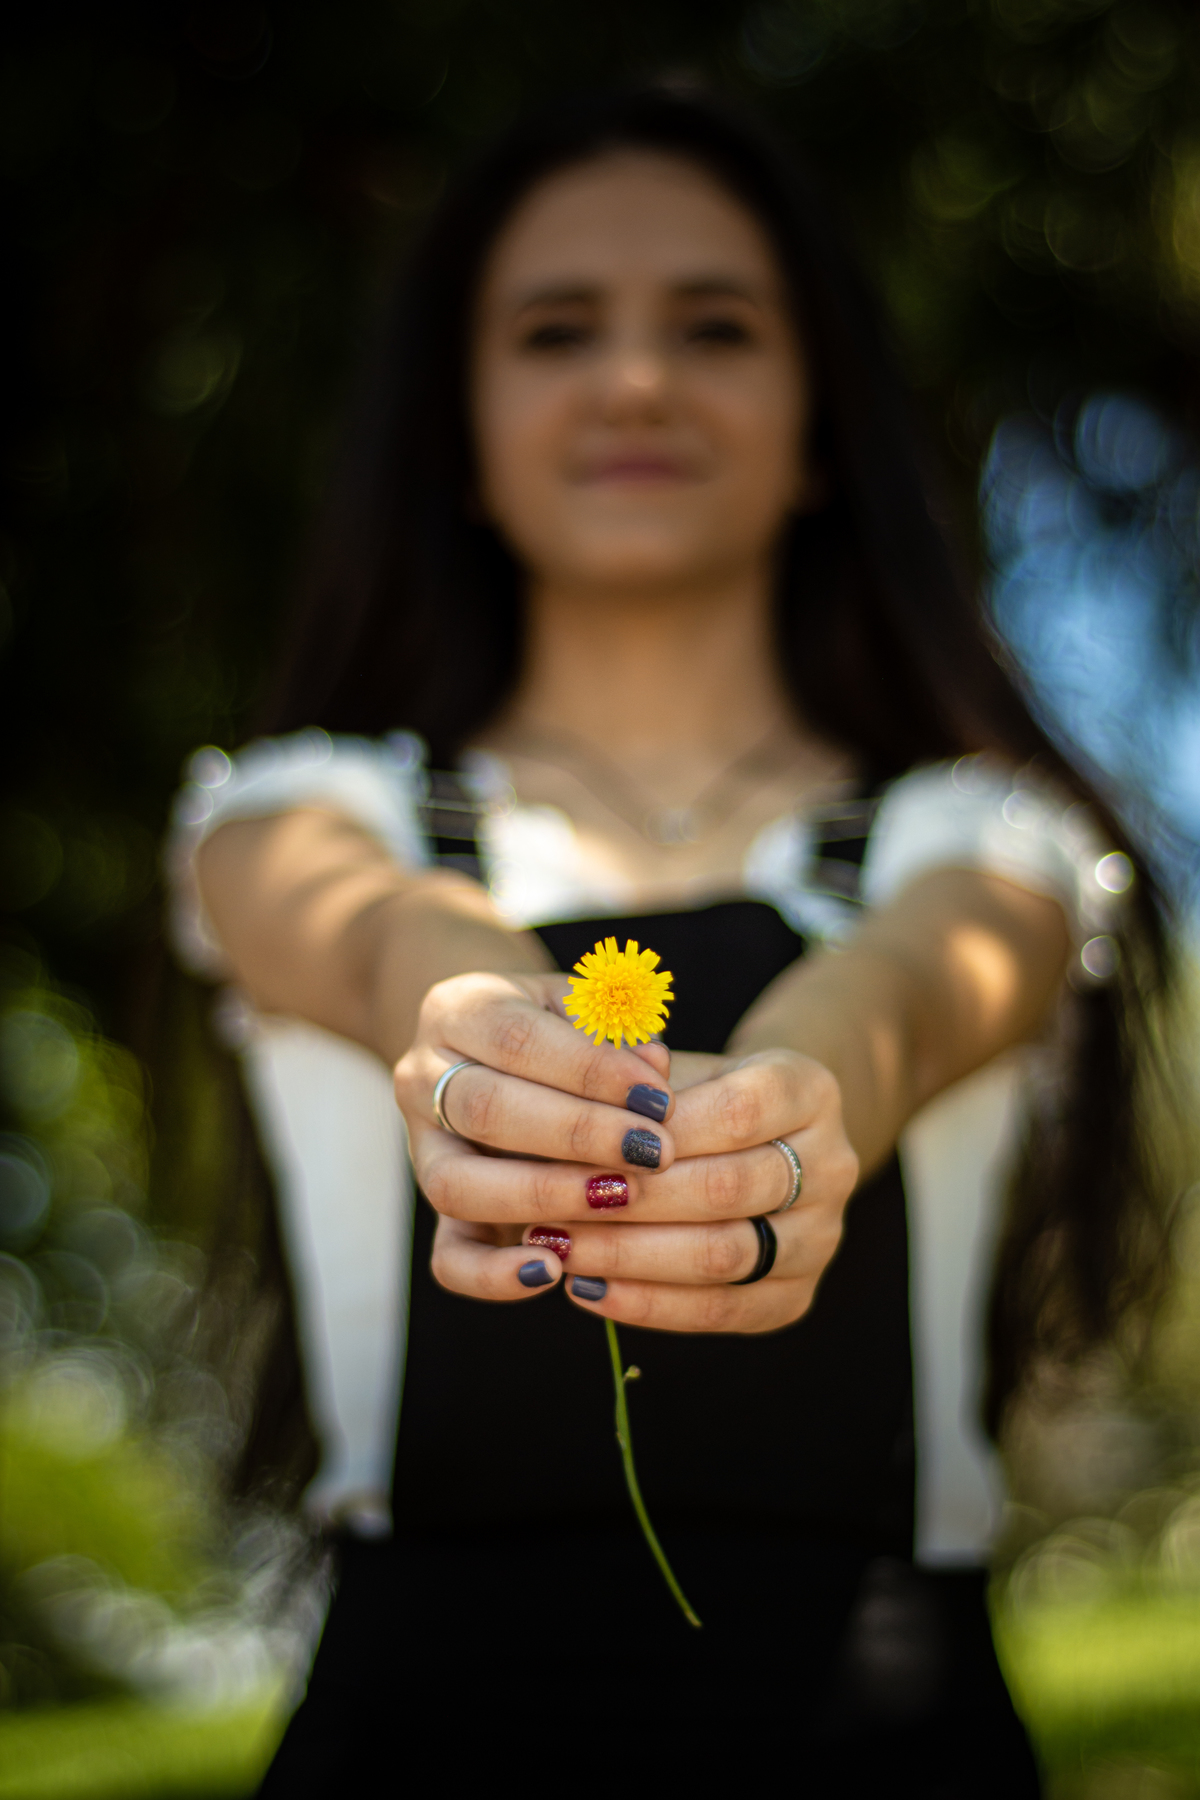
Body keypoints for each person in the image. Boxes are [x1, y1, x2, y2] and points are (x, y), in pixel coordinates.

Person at [167, 85, 1171, 1794]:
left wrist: (797, 1097)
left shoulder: (976, 838)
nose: (636, 379)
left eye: (715, 327)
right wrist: (473, 1031)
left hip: (890, 1736)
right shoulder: (302, 817)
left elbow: (920, 985)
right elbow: (366, 931)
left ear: (820, 427)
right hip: (411, 1742)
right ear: (462, 435)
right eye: (558, 332)